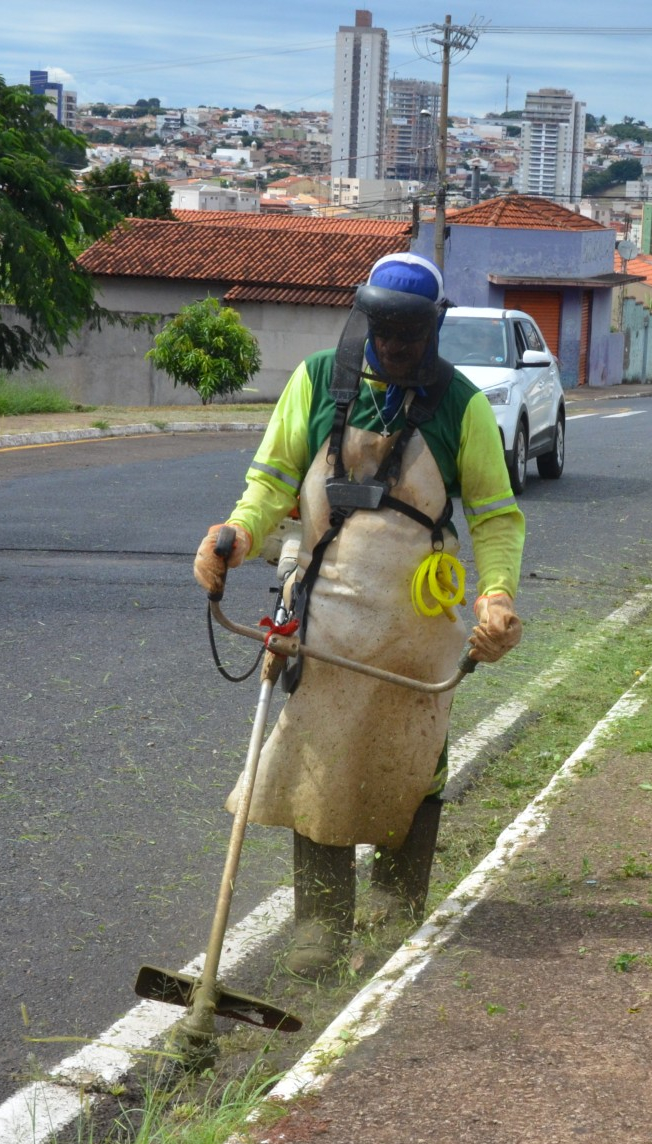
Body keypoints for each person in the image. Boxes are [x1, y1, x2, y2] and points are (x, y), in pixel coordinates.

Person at [192, 252, 525, 978]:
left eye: (411, 334)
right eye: (385, 332)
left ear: (433, 328)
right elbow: (272, 482)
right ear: (365, 320)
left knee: (415, 759)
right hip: (327, 610)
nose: (397, 346)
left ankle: (396, 908)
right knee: (321, 756)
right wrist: (238, 535)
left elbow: (496, 516)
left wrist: (497, 595)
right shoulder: (318, 381)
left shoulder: (462, 405)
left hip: (417, 622)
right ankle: (320, 926)